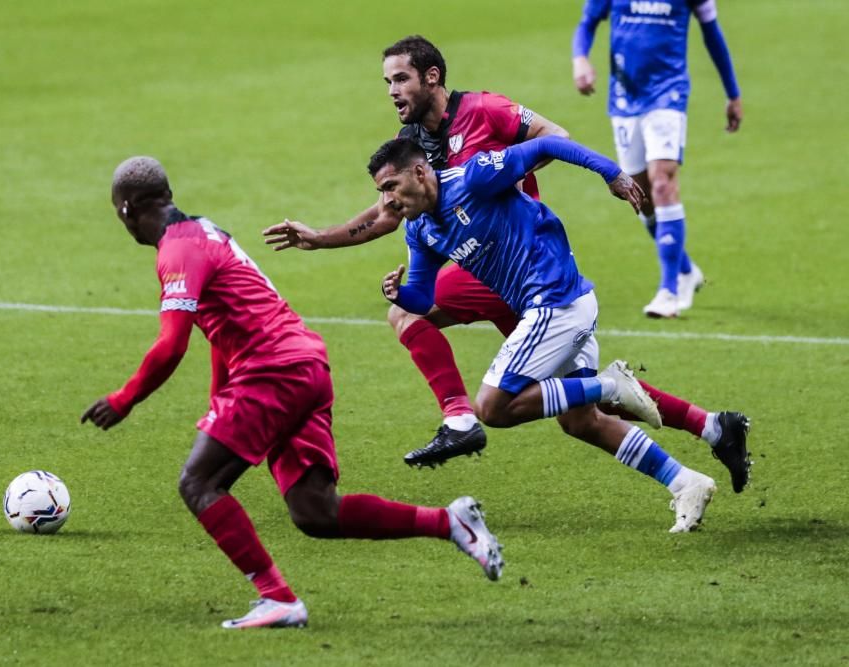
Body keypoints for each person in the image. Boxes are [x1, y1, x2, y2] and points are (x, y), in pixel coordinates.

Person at [263, 35, 750, 493]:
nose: (392, 91)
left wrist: (499, 187)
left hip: (522, 262)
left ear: (431, 77)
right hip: (490, 271)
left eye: (400, 79)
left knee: (413, 320)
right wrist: (321, 238)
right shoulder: (411, 144)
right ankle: (711, 430)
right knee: (577, 410)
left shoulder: (482, 109)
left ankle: (460, 420)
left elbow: (553, 136)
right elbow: (391, 212)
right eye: (387, 82)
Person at [80, 157, 503, 630]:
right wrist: (220, 400)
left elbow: (171, 344)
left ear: (125, 209)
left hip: (274, 372)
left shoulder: (177, 251)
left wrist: (124, 398)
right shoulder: (205, 232)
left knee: (198, 483)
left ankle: (277, 597)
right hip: (305, 365)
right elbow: (220, 332)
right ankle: (450, 523)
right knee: (316, 511)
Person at [371, 136, 717, 533]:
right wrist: (400, 296)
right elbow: (423, 295)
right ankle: (685, 481)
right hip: (561, 307)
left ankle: (608, 386)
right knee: (581, 421)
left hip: (556, 301)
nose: (386, 202)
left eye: (390, 187)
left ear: (418, 172)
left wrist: (612, 172)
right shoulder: (420, 230)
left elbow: (546, 145)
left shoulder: (475, 178)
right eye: (381, 192)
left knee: (492, 408)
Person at [572, 0, 742, 318]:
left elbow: (712, 34)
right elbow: (587, 21)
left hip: (668, 93)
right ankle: (686, 269)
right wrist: (580, 58)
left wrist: (732, 94)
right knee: (640, 196)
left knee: (663, 182)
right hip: (624, 97)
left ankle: (669, 290)